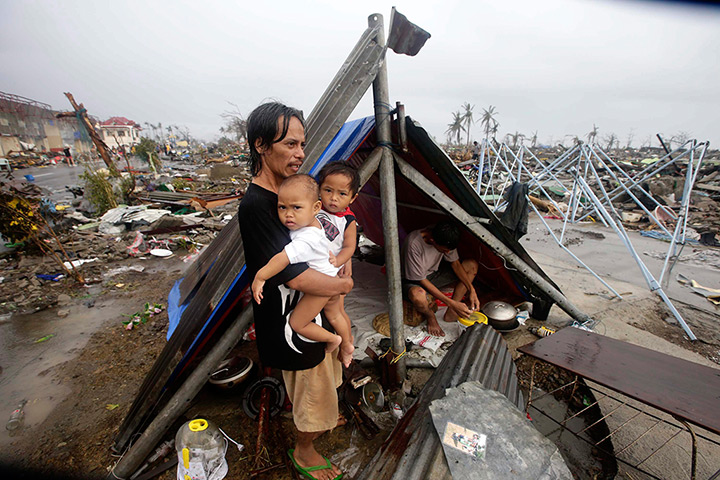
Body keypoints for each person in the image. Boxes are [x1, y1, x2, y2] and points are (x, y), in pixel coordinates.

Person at [237, 102, 350, 480]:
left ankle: (318, 423)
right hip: (289, 322)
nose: (300, 154)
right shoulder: (257, 204)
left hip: (311, 312)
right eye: (289, 144)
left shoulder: (287, 194)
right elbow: (296, 277)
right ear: (260, 146)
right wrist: (343, 284)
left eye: (302, 144)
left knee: (321, 381)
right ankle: (304, 449)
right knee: (312, 392)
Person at [251, 174, 354, 367]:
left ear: (316, 208)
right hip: (330, 279)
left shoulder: (306, 238)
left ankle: (333, 339)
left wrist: (260, 276)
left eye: (296, 207)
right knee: (336, 314)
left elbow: (283, 258)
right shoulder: (312, 224)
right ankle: (348, 344)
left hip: (321, 286)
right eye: (282, 207)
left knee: (298, 323)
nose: (289, 214)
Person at [401, 221, 480, 336]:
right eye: (444, 250)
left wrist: (472, 290)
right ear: (432, 241)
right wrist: (450, 302)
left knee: (471, 265)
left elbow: (455, 264)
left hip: (433, 274)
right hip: (413, 280)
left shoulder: (444, 235)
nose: (448, 252)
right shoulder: (413, 243)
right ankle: (430, 316)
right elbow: (421, 280)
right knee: (418, 295)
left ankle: (452, 313)